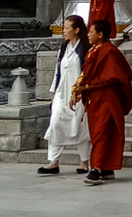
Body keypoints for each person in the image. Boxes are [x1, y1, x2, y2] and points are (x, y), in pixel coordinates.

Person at [72, 19, 132, 186]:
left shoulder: (109, 52)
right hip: (94, 98)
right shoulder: (92, 51)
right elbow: (86, 74)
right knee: (98, 133)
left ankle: (97, 168)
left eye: (91, 32)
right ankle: (107, 168)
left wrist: (86, 87)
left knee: (102, 132)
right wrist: (78, 89)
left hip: (107, 98)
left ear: (100, 35)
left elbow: (112, 78)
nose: (88, 35)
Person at [38, 15, 90, 176]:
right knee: (55, 124)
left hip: (79, 95)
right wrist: (54, 92)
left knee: (81, 128)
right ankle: (53, 162)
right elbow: (57, 71)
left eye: (67, 27)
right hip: (62, 93)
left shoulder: (85, 49)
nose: (64, 30)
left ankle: (84, 162)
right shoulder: (64, 47)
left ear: (76, 30)